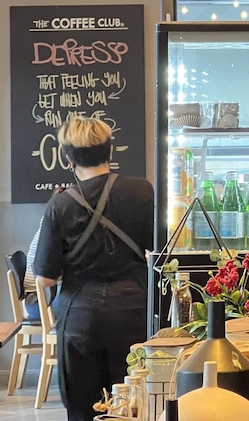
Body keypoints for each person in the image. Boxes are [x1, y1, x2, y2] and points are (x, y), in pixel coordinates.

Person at [34, 116, 153, 421]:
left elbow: (45, 277)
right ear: (110, 150)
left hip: (80, 319)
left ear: (68, 158)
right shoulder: (143, 191)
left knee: (84, 408)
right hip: (135, 312)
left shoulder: (60, 205)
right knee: (137, 405)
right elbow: (159, 252)